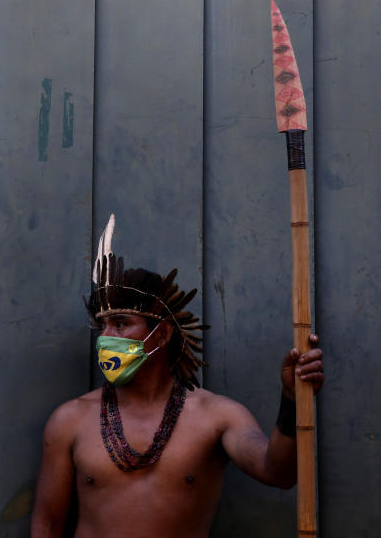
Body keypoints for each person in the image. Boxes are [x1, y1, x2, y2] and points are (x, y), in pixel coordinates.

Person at [30, 215, 324, 538]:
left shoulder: (216, 417)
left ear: (161, 334)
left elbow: (277, 472)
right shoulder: (70, 421)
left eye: (121, 324)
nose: (106, 337)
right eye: (103, 327)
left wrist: (292, 401)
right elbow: (47, 525)